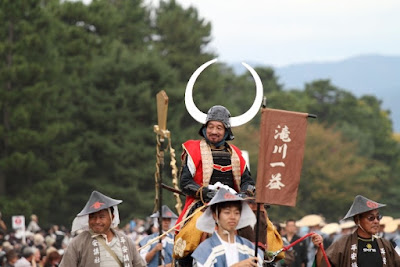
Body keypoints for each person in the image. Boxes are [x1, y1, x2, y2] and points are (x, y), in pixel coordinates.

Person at [175, 105, 256, 266]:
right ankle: (185, 262)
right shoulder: (193, 150)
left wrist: (244, 193)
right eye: (210, 126)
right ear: (205, 128)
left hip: (233, 202)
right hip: (203, 204)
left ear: (226, 131)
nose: (214, 131)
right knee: (192, 233)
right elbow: (184, 182)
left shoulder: (237, 154)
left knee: (262, 225)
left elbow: (248, 182)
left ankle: (267, 258)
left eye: (219, 127)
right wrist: (204, 193)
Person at [59, 190, 146, 267]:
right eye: (93, 217)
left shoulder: (126, 241)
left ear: (112, 217)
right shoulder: (78, 243)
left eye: (101, 217)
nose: (97, 221)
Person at [312, 195, 400, 266]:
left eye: (378, 217)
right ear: (357, 220)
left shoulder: (385, 244)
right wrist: (320, 248)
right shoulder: (343, 244)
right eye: (371, 218)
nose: (376, 221)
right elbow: (324, 265)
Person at [191, 188, 264, 266]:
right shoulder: (204, 250)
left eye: (236, 213)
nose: (232, 217)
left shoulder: (250, 249)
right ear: (215, 215)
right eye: (227, 212)